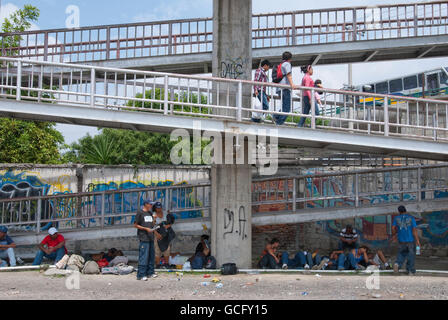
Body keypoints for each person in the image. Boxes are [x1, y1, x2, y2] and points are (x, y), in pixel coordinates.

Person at [392, 205, 420, 275]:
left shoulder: (396, 218)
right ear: (406, 210)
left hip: (401, 240)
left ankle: (397, 264)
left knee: (401, 254)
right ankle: (410, 271)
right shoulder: (411, 218)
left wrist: (394, 235)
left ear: (399, 211)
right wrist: (417, 241)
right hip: (410, 241)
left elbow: (393, 228)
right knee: (411, 255)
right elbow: (414, 230)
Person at [134, 200, 158, 280]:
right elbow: (135, 225)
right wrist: (145, 229)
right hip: (144, 237)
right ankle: (141, 274)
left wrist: (154, 219)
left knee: (151, 256)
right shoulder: (140, 213)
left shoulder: (150, 213)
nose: (151, 206)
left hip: (151, 237)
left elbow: (152, 225)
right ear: (146, 204)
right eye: (150, 204)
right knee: (143, 256)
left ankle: (150, 272)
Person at [273, 51, 296, 126]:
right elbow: (288, 74)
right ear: (289, 58)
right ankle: (279, 122)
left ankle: (276, 117)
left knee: (283, 106)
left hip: (279, 88)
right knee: (287, 107)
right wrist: (292, 85)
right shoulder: (287, 64)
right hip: (285, 88)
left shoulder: (281, 64)